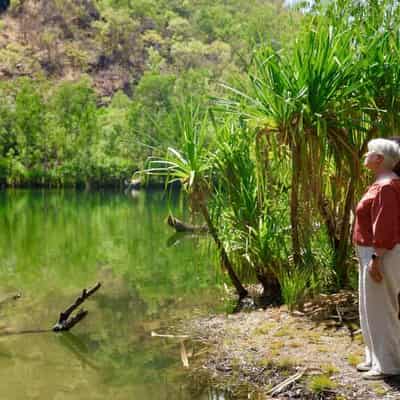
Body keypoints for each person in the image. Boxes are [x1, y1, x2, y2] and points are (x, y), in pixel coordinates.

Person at [353, 138, 400, 380]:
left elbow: (385, 226)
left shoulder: (387, 187)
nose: (366, 155)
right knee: (369, 307)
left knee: (382, 308)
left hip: (381, 253)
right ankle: (375, 358)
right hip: (371, 251)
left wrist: (376, 257)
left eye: (370, 152)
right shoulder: (381, 184)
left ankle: (389, 365)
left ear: (379, 159)